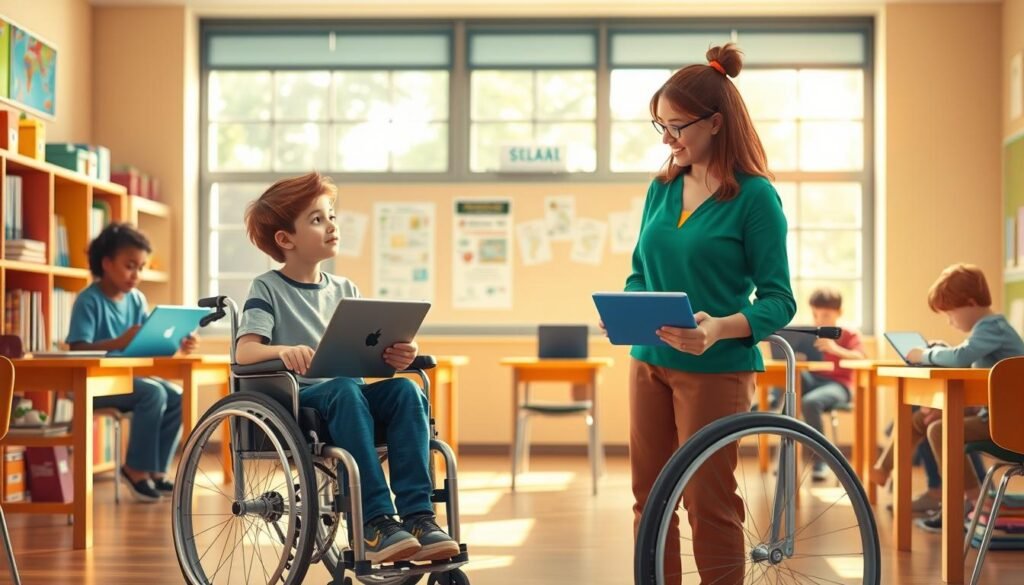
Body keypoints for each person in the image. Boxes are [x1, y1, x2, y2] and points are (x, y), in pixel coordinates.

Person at [617, 43, 796, 585]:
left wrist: (720, 328)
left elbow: (779, 300)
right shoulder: (662, 188)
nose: (668, 140)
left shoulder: (756, 199)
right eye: (659, 127)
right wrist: (626, 307)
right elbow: (639, 272)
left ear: (716, 122)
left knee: (708, 501)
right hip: (648, 359)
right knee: (650, 501)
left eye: (677, 127)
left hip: (716, 368)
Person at [235, 171, 459, 564]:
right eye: (317, 219)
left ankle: (419, 517)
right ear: (285, 240)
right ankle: (374, 522)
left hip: (350, 396)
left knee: (407, 390)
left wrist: (401, 352)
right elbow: (245, 353)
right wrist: (285, 351)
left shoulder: (346, 290)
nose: (331, 225)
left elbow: (367, 349)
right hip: (303, 400)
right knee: (343, 388)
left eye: (332, 215)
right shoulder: (267, 288)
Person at [870, 263, 1024, 532]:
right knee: (925, 417)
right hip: (996, 415)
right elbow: (966, 360)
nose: (950, 321)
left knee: (941, 429)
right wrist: (942, 352)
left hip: (1011, 424)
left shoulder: (992, 327)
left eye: (950, 313)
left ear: (971, 303)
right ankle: (884, 468)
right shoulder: (987, 331)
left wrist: (925, 355)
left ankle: (975, 500)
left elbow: (961, 357)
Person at [67, 223, 193, 502]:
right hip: (93, 386)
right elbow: (77, 348)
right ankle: (134, 469)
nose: (136, 274)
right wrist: (118, 342)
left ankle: (156, 471)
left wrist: (178, 342)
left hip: (128, 381)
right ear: (107, 263)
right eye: (130, 265)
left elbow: (147, 342)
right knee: (154, 392)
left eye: (141, 267)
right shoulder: (89, 301)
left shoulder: (136, 299)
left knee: (178, 395)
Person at [799, 287, 866, 481]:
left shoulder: (849, 335)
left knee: (810, 402)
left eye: (825, 315)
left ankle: (821, 461)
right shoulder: (810, 335)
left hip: (839, 385)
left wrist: (836, 349)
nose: (819, 319)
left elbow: (861, 357)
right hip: (813, 380)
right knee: (793, 380)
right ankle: (785, 457)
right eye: (815, 314)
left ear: (839, 313)